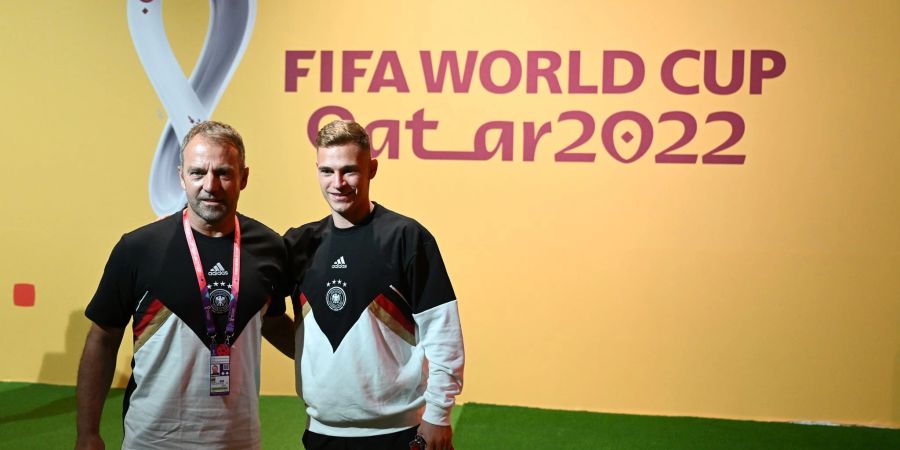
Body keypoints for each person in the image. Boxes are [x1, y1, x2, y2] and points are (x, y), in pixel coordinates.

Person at [75, 121, 293, 450]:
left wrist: (335, 359)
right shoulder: (138, 249)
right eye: (197, 173)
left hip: (239, 440)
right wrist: (87, 432)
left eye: (223, 173)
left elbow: (274, 323)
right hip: (153, 440)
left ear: (243, 178)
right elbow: (102, 341)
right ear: (181, 176)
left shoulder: (270, 247)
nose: (210, 185)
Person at [283, 120, 465, 450]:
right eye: (327, 171)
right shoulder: (299, 244)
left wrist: (438, 414)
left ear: (372, 169)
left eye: (349, 170)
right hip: (321, 432)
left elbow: (443, 332)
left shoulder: (407, 238)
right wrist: (303, 352)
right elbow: (259, 312)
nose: (337, 183)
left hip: (399, 433)